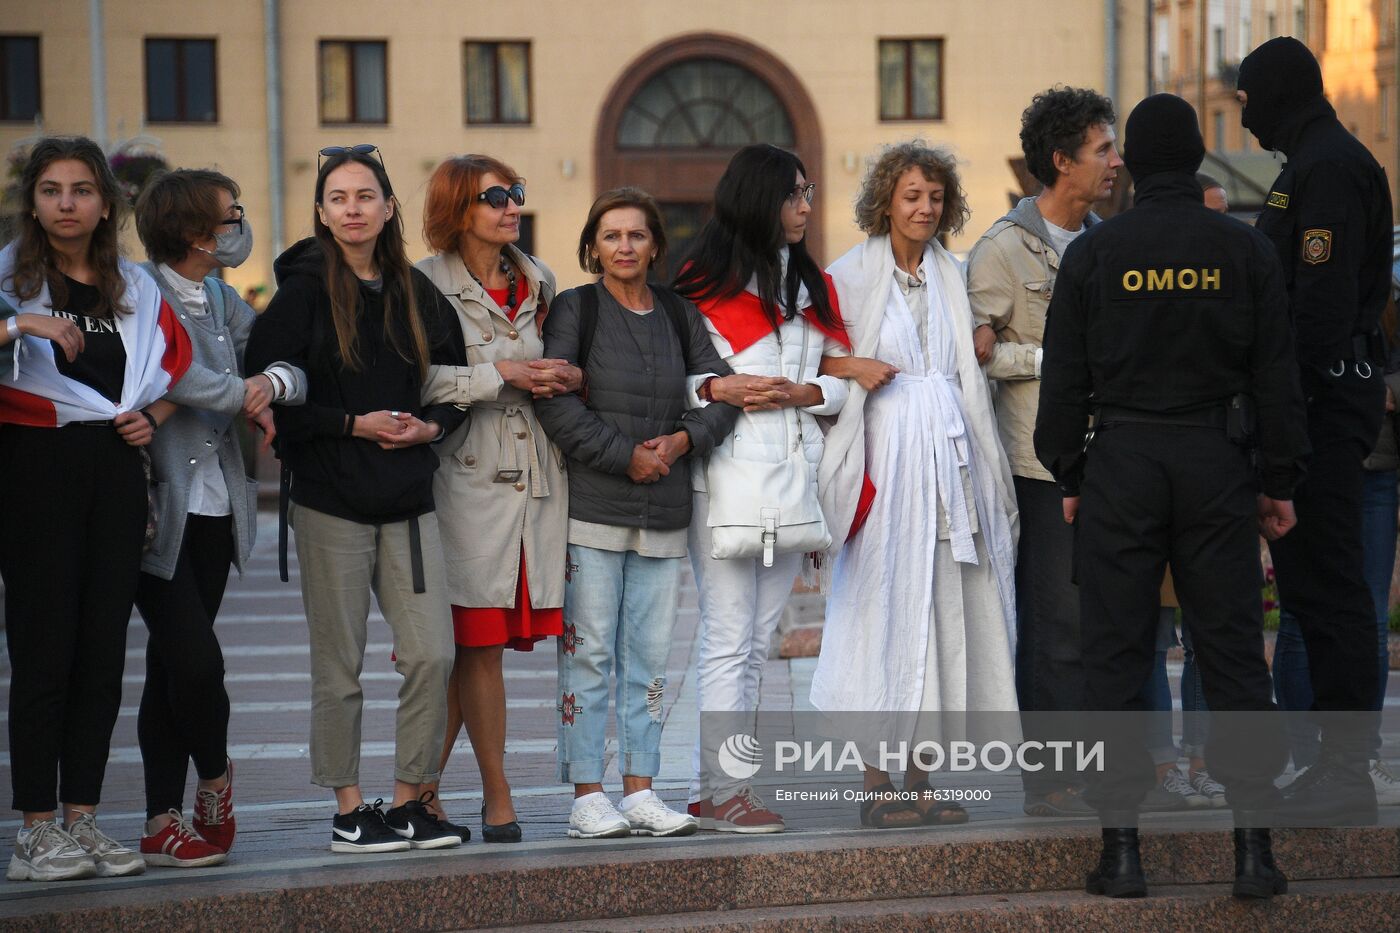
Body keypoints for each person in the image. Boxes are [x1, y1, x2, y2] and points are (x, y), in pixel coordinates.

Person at [1034, 94, 1308, 900]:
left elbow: (1063, 382)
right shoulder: (1243, 249)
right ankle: (1253, 848)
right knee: (1232, 653)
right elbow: (1276, 376)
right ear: (1194, 159)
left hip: (1121, 463)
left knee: (1116, 656)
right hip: (1214, 461)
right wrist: (1278, 480)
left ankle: (1122, 850)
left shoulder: (1096, 253)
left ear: (1133, 162)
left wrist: (1073, 476)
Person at [245, 146, 468, 854]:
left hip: (408, 500)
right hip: (330, 502)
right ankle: (348, 809)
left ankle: (405, 802)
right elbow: (272, 394)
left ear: (389, 206)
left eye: (365, 196)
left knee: (432, 655)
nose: (352, 209)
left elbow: (454, 378)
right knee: (339, 665)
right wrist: (352, 425)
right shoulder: (302, 293)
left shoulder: (413, 290)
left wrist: (433, 427)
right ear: (321, 211)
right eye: (338, 198)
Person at [0, 136, 193, 881]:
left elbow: (177, 366)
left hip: (115, 471)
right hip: (34, 468)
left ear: (106, 204)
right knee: (44, 650)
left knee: (102, 653)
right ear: (33, 201)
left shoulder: (134, 286)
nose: (67, 203)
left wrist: (155, 415)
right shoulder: (10, 278)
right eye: (51, 190)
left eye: (81, 189)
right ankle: (34, 831)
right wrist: (23, 324)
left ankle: (80, 819)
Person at [812, 142, 1019, 828]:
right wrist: (853, 365)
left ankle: (922, 779)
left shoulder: (954, 276)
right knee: (883, 609)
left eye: (935, 196)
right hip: (887, 462)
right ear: (886, 202)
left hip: (953, 467)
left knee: (947, 610)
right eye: (911, 196)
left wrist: (984, 336)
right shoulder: (848, 275)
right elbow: (808, 356)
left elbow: (969, 356)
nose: (925, 208)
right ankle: (877, 785)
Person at [535, 187, 737, 839]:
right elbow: (554, 401)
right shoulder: (577, 309)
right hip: (593, 511)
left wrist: (681, 443)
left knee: (650, 660)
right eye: (611, 235)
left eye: (637, 235)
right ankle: (587, 796)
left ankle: (642, 790)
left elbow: (722, 395)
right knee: (589, 656)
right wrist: (626, 457)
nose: (624, 246)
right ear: (593, 247)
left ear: (655, 245)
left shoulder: (680, 313)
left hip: (664, 516)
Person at [1237, 36, 1395, 821]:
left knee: (1331, 588)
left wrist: (1283, 411)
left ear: (1279, 94)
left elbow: (1319, 308)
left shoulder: (1327, 167)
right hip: (1314, 400)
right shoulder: (1309, 162)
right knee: (1313, 588)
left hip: (1322, 402)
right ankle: (1336, 762)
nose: (1244, 118)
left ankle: (1346, 766)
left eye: (1248, 100)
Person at [672, 144, 851, 834]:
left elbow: (842, 381)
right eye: (794, 194)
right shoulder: (700, 285)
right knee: (727, 637)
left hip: (794, 482)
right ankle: (722, 791)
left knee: (755, 643)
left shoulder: (811, 285)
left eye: (807, 192)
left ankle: (725, 787)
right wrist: (719, 387)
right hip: (724, 476)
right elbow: (675, 381)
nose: (805, 206)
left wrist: (809, 392)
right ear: (759, 199)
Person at [131, 168, 301, 866]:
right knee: (197, 663)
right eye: (231, 215)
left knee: (169, 665)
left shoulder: (225, 297)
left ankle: (160, 821)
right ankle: (216, 777)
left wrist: (273, 382)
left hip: (217, 509)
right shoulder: (139, 291)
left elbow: (282, 361)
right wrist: (243, 391)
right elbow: (173, 374)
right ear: (196, 230)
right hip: (153, 507)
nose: (239, 225)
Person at [415, 154, 579, 842]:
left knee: (480, 648)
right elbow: (410, 378)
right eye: (495, 197)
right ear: (457, 208)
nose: (512, 205)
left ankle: (423, 791)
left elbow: (564, 361)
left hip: (537, 478)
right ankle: (494, 792)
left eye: (515, 192)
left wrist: (567, 374)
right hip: (465, 479)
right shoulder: (423, 282)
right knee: (471, 645)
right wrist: (500, 373)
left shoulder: (540, 279)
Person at [967, 87, 1121, 818]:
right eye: (1103, 150)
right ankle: (1050, 780)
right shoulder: (1002, 248)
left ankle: (1101, 767)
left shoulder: (1106, 241)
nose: (1116, 162)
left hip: (1110, 460)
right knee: (1057, 627)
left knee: (1104, 624)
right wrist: (1056, 360)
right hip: (1039, 466)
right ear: (1062, 161)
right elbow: (972, 356)